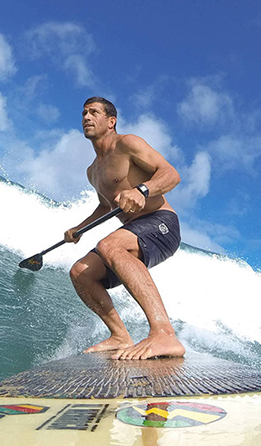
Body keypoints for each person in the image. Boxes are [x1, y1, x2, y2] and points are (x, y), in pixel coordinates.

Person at [66, 97, 184, 360]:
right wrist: (79, 228)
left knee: (110, 245)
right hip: (134, 230)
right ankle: (120, 335)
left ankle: (165, 334)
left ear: (111, 121)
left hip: (162, 222)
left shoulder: (127, 143)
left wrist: (143, 190)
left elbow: (171, 174)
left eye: (93, 112)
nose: (86, 117)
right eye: (84, 113)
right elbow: (105, 207)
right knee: (80, 272)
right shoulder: (93, 171)